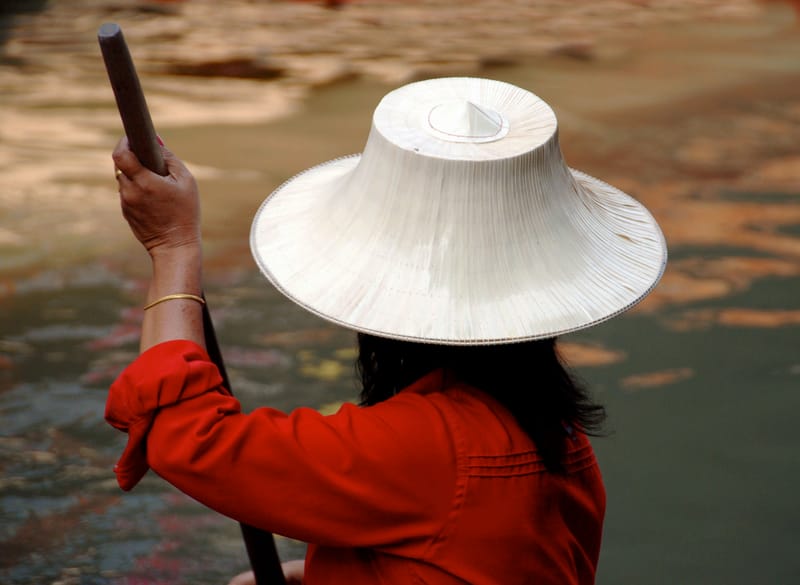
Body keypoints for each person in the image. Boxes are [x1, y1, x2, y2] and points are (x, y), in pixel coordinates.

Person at [106, 77, 667, 585]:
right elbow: (473, 555)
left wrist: (172, 247)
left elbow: (188, 437)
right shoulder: (557, 433)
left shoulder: (429, 448)